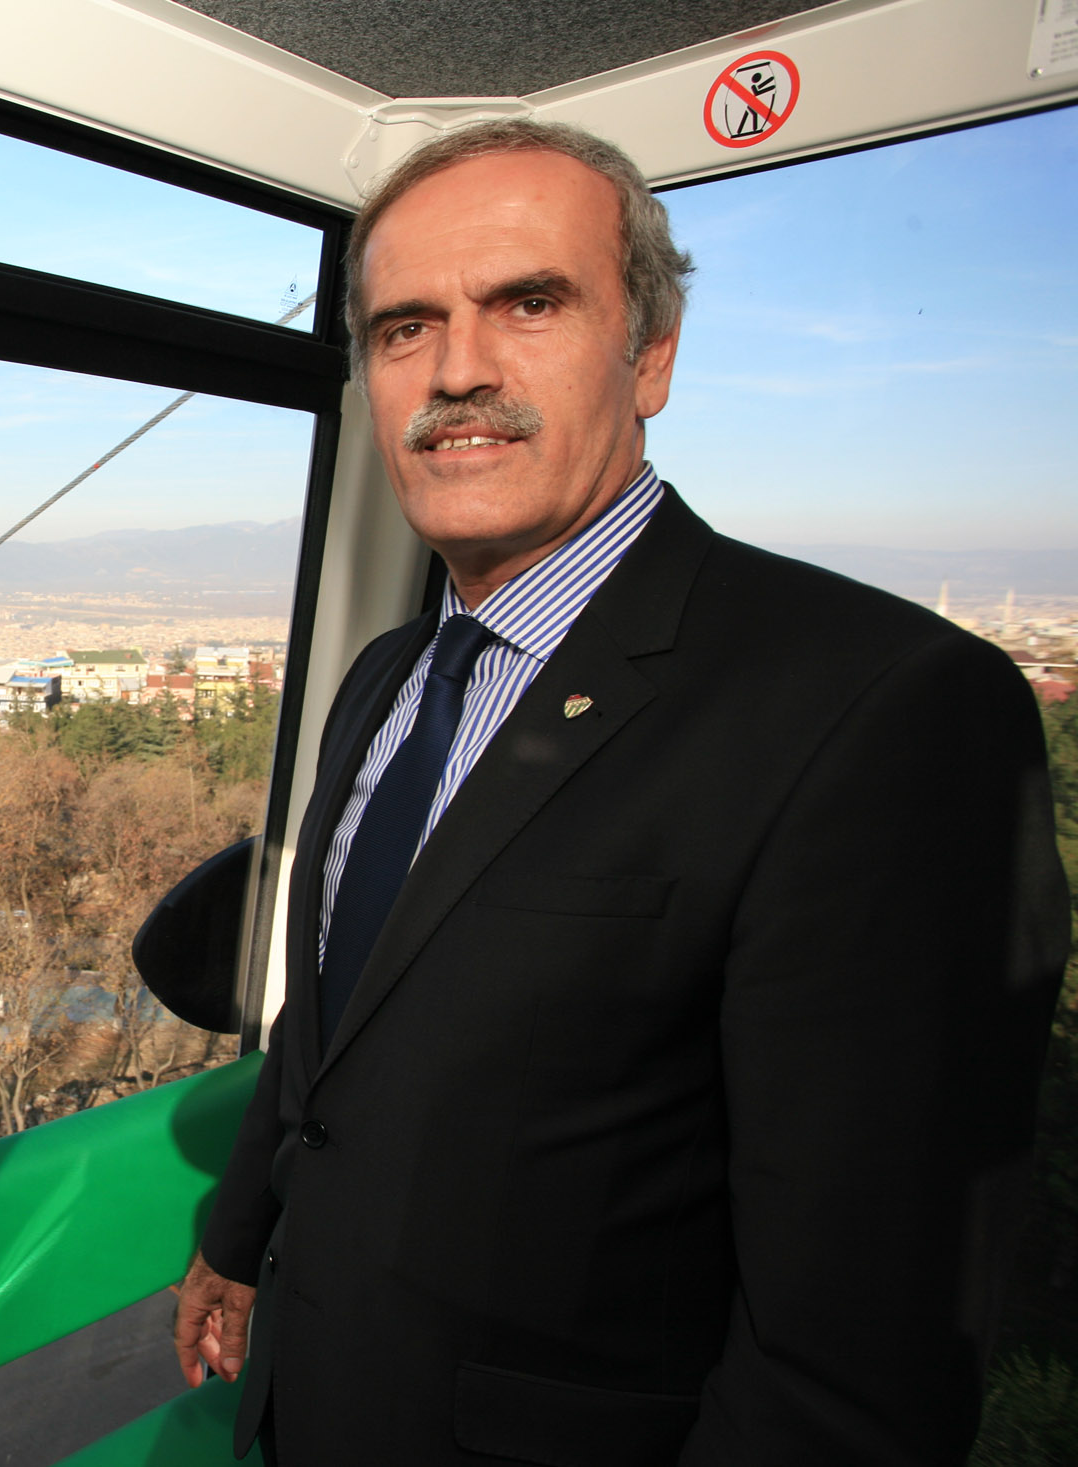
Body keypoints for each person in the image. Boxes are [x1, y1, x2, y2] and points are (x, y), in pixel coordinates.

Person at [170, 119, 1066, 1465]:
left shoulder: (880, 706)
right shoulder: (385, 676)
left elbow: (859, 1344)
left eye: (528, 304)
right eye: (405, 327)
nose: (457, 369)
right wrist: (239, 1237)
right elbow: (336, 1038)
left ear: (650, 356)